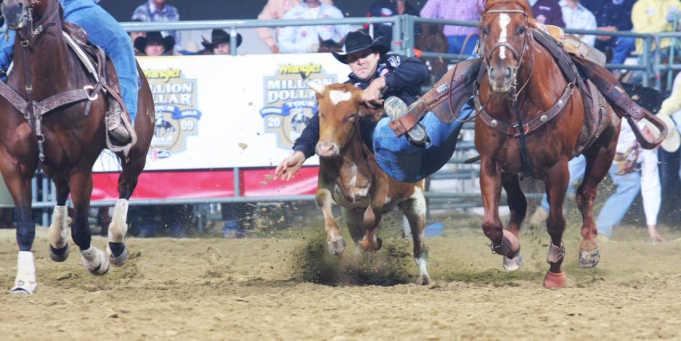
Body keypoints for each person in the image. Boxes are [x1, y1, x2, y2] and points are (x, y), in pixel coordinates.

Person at [275, 30, 475, 184]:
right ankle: (404, 125)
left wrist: (380, 83)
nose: (359, 61)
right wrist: (300, 153)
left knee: (459, 87)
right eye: (353, 59)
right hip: (398, 161)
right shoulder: (349, 93)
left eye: (364, 55)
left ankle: (482, 54)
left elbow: (420, 70)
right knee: (383, 127)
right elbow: (321, 121)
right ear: (349, 65)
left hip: (432, 143)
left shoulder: (394, 63)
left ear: (377, 55)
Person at [0, 0, 136, 144]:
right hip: (58, 6)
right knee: (120, 43)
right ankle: (122, 117)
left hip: (43, 8)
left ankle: (120, 112)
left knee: (3, 52)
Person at [532, 123, 666, 243]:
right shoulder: (626, 123)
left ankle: (602, 230)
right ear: (647, 130)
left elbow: (651, 184)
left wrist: (651, 225)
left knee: (632, 183)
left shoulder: (649, 151)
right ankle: (545, 207)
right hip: (595, 151)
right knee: (571, 168)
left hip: (616, 163)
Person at [257, 0, 334, 54]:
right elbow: (262, 21)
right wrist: (272, 45)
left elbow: (335, 20)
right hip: (290, 52)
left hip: (321, 50)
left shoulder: (324, 2)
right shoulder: (277, 1)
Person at [278, 0, 349, 54]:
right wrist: (306, 49)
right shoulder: (292, 14)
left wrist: (339, 52)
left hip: (330, 59)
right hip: (300, 62)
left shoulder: (333, 12)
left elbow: (349, 36)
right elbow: (284, 44)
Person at [582, 0, 636, 65]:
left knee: (628, 41)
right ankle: (584, 69)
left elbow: (629, 21)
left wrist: (615, 29)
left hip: (617, 34)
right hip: (591, 33)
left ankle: (614, 70)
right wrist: (594, 30)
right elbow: (581, 14)